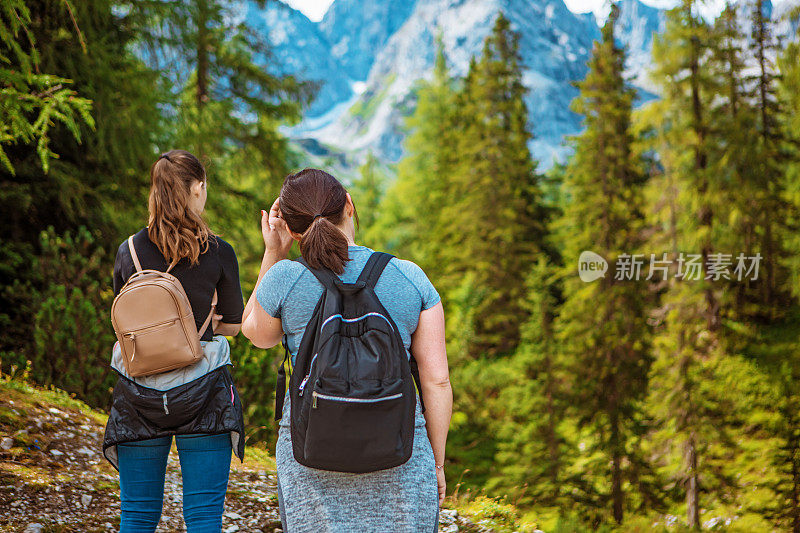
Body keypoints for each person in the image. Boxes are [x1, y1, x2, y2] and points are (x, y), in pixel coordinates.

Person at [241, 168, 452, 532]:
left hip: (310, 459)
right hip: (401, 456)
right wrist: (435, 463)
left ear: (291, 229)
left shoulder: (286, 278)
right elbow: (437, 380)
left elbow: (255, 333)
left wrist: (273, 252)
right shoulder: (409, 276)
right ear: (349, 206)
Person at [102, 149, 246, 533]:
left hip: (140, 393)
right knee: (202, 517)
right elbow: (233, 324)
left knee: (137, 515)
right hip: (203, 392)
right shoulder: (218, 252)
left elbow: (125, 323)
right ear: (197, 188)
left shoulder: (127, 251)